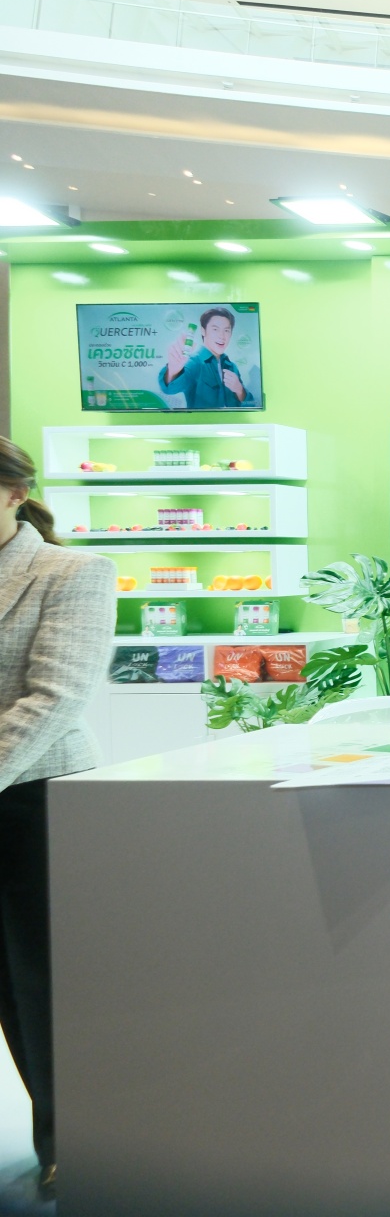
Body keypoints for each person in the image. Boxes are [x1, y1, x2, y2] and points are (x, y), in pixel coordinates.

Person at [0, 436, 117, 1200]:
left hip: (32, 801)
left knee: (41, 984)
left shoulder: (71, 572)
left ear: (15, 493)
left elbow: (56, 695)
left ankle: (72, 1144)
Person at [159, 306, 254, 409]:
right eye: (215, 329)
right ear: (203, 331)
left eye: (226, 330)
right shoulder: (194, 362)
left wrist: (240, 390)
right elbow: (170, 389)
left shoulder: (232, 367)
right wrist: (173, 371)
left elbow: (251, 405)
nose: (222, 336)